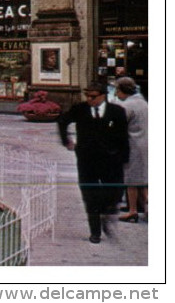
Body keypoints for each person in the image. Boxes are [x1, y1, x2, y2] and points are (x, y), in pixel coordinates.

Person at [58, 82, 129, 244]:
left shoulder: (117, 112)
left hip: (110, 160)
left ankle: (107, 213)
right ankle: (95, 231)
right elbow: (62, 121)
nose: (90, 99)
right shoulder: (80, 109)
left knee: (114, 192)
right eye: (87, 96)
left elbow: (123, 137)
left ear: (103, 96)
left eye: (93, 97)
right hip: (86, 160)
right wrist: (66, 140)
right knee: (90, 195)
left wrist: (124, 158)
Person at [113, 77, 148, 223]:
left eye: (117, 90)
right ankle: (146, 208)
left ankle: (132, 210)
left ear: (123, 90)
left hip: (133, 144)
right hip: (146, 143)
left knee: (131, 179)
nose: (115, 93)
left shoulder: (128, 106)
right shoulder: (143, 103)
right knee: (143, 179)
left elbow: (118, 126)